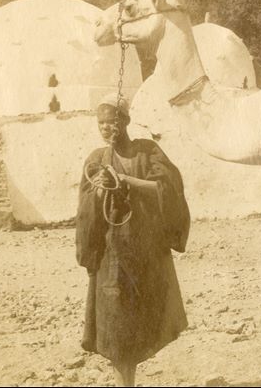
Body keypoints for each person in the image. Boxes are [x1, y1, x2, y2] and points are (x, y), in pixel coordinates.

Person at [76, 94, 190, 387]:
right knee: (115, 326)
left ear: (124, 122)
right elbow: (86, 209)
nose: (105, 129)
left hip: (145, 253)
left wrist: (127, 181)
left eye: (111, 122)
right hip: (111, 255)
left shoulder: (147, 151)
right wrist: (101, 190)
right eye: (101, 123)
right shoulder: (96, 159)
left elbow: (168, 188)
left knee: (141, 321)